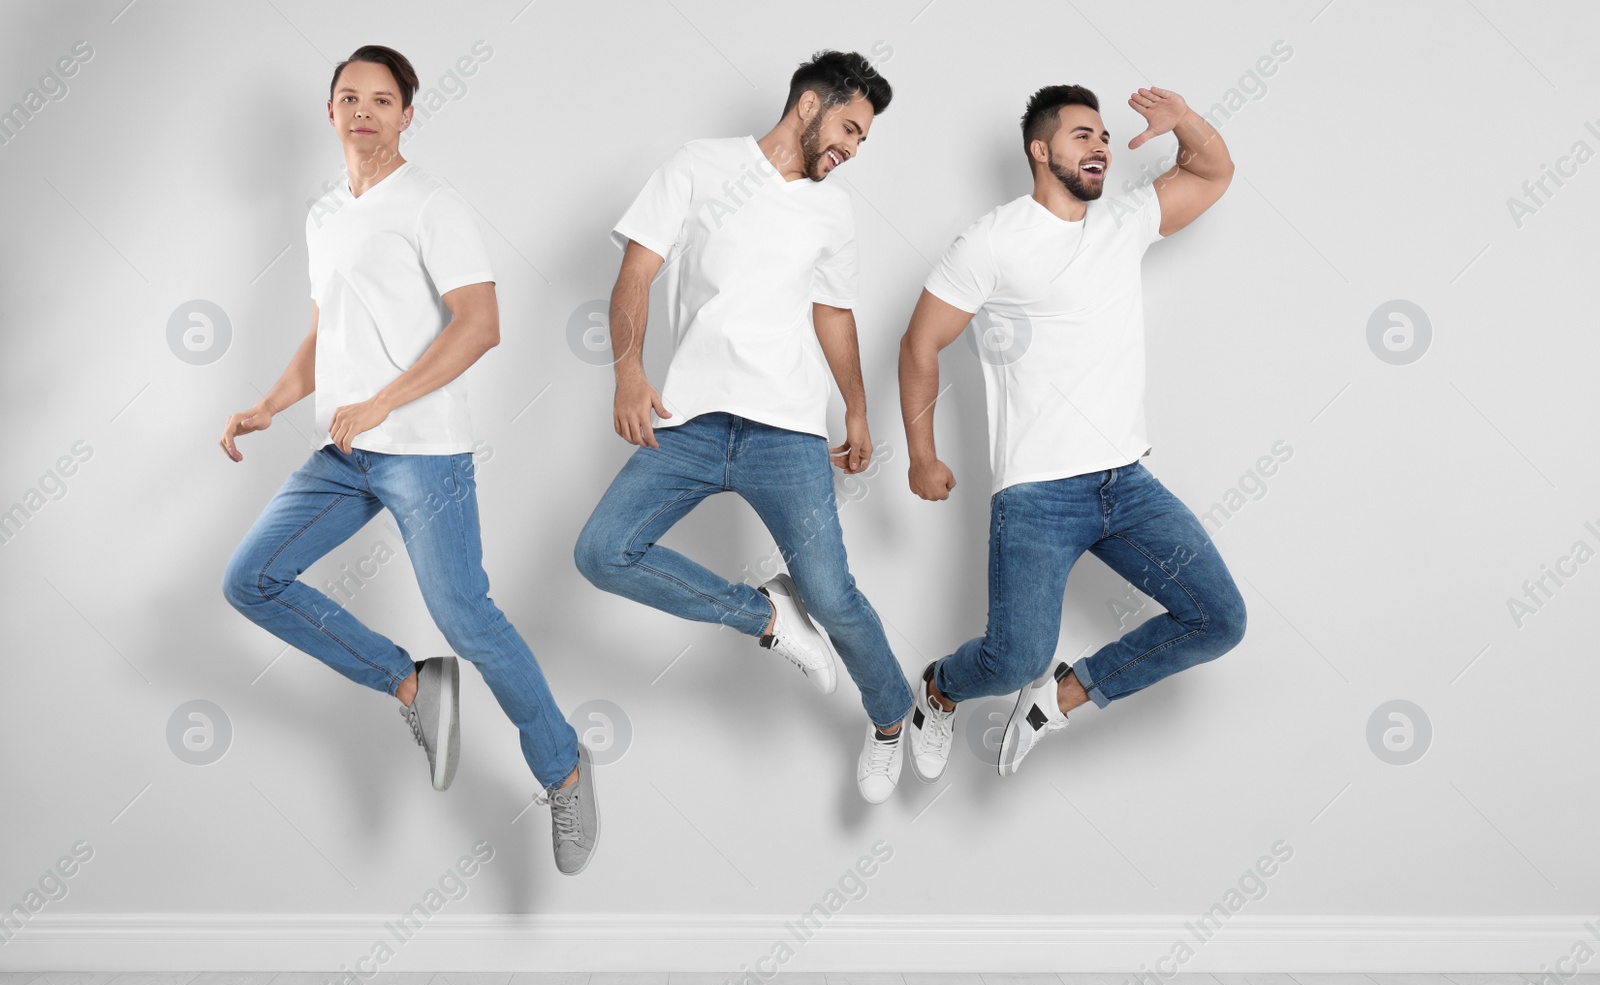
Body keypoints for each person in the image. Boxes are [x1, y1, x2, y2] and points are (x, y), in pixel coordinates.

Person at [219, 45, 597, 874]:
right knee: (250, 580)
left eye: (381, 100)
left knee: (468, 616)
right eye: (348, 97)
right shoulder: (323, 215)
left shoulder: (431, 204)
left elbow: (480, 323)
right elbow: (330, 333)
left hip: (421, 450)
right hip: (343, 451)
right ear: (330, 113)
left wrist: (386, 399)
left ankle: (564, 766)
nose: (363, 111)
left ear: (407, 115)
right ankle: (410, 683)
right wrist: (272, 402)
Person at [574, 50, 916, 803]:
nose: (852, 148)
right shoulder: (699, 166)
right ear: (807, 105)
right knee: (603, 551)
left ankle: (893, 716)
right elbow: (637, 272)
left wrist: (856, 406)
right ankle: (766, 614)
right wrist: (628, 371)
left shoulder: (833, 209)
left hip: (787, 431)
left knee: (835, 597)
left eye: (863, 141)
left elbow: (833, 312)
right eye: (850, 127)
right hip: (690, 419)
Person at [897, 84, 1248, 779]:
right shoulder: (994, 238)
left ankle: (1059, 697)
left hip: (1127, 482)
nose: (1100, 147)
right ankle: (938, 689)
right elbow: (919, 344)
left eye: (1105, 138)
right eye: (1082, 135)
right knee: (1011, 658)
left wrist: (1183, 124)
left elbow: (1213, 171)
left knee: (1219, 618)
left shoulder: (1124, 221)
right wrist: (920, 454)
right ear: (1040, 149)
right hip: (1037, 497)